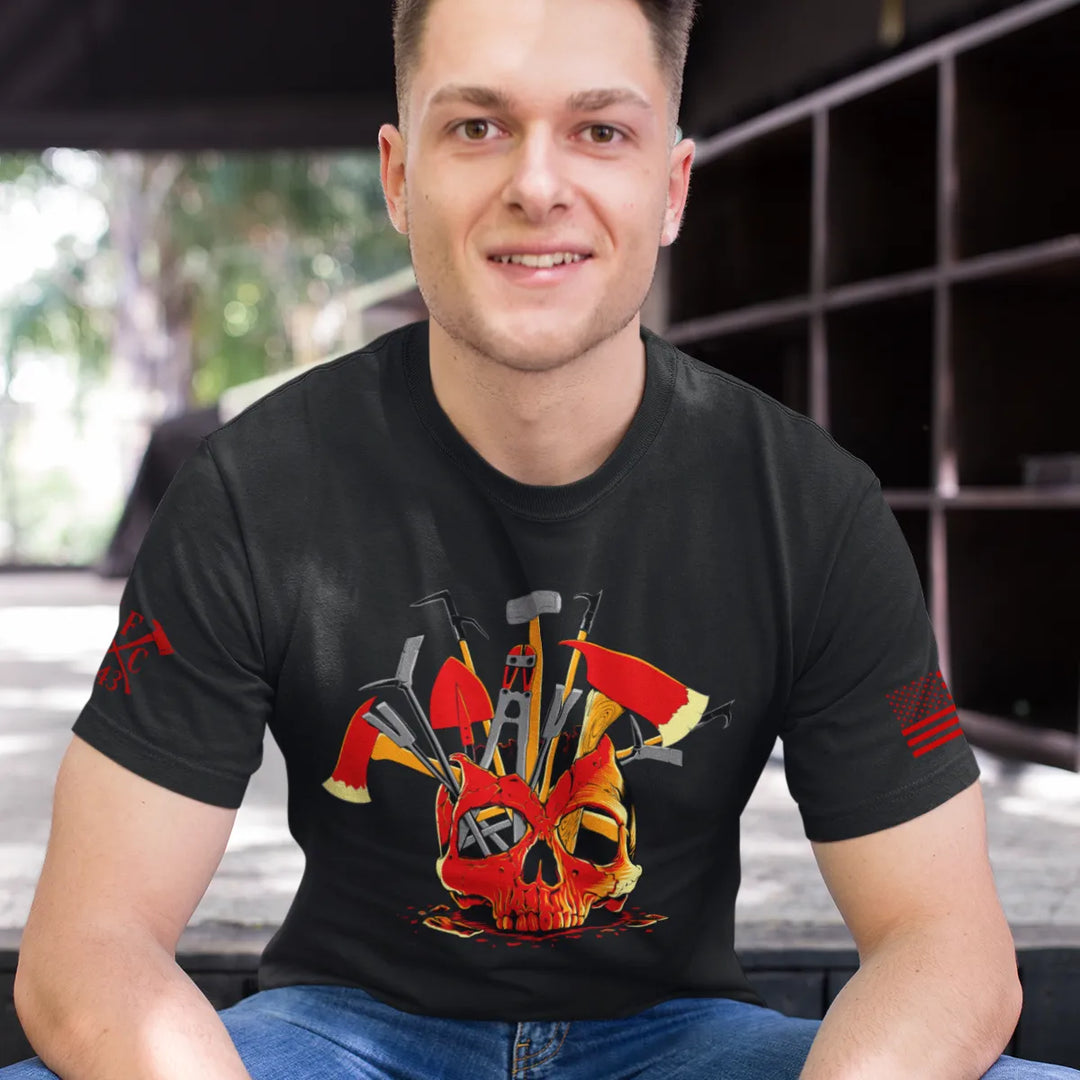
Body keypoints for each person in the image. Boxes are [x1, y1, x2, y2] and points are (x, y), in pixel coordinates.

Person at [5, 0, 1078, 1077]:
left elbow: (948, 945)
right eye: (477, 127)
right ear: (397, 176)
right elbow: (88, 947)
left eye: (600, 131)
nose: (536, 184)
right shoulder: (248, 492)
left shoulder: (810, 506)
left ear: (671, 187)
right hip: (340, 1040)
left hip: (685, 1044)